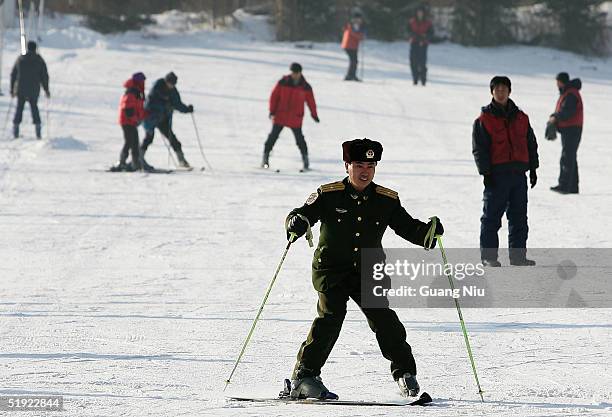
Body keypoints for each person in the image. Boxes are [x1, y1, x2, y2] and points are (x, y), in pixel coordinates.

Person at [284, 138, 444, 399]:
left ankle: (405, 372)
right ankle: (305, 376)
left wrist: (428, 232)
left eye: (370, 165)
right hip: (331, 269)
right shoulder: (329, 194)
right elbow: (302, 214)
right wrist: (296, 222)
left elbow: (407, 227)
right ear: (347, 165)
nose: (365, 170)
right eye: (359, 164)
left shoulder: (386, 200)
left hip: (368, 271)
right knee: (331, 317)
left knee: (384, 319)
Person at [472, 76, 539, 267]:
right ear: (492, 92)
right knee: (491, 218)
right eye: (497, 89)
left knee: (519, 218)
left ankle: (518, 257)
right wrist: (486, 173)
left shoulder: (521, 117)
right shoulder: (484, 119)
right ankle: (489, 257)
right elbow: (480, 149)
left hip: (518, 175)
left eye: (504, 89)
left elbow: (531, 144)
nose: (501, 92)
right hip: (497, 176)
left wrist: (533, 168)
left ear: (509, 92)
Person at [262, 63, 319, 171]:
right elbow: (274, 96)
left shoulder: (305, 86)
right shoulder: (283, 82)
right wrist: (272, 111)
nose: (294, 75)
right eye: (293, 72)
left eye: (296, 73)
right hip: (280, 115)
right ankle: (265, 158)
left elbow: (311, 101)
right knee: (272, 137)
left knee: (300, 140)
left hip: (295, 118)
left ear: (300, 73)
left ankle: (305, 161)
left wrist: (314, 114)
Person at [140, 72, 194, 170]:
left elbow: (177, 104)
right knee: (148, 138)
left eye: (173, 84)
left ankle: (182, 161)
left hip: (163, 119)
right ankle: (139, 158)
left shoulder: (173, 91)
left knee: (173, 139)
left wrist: (187, 109)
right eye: (170, 83)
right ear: (166, 81)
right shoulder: (156, 87)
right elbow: (150, 104)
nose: (171, 85)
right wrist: (165, 104)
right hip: (151, 118)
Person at [549, 72, 583, 194]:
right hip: (571, 129)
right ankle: (572, 187)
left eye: (558, 81)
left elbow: (568, 111)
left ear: (562, 82)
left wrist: (555, 117)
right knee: (570, 156)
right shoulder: (569, 92)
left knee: (567, 157)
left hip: (572, 129)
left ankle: (564, 185)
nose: (557, 84)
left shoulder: (570, 94)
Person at [10, 40, 50, 139]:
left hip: (21, 89)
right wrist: (46, 89)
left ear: (28, 48)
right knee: (34, 109)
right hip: (34, 90)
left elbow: (13, 74)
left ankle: (16, 129)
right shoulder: (39, 60)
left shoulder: (21, 59)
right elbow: (44, 76)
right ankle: (38, 131)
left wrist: (12, 89)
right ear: (35, 48)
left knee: (19, 109)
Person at [112, 72, 146, 172]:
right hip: (127, 121)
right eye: (142, 81)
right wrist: (135, 118)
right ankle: (122, 162)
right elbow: (128, 109)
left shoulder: (137, 92)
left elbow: (138, 107)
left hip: (131, 122)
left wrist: (141, 117)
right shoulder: (131, 92)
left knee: (134, 142)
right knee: (130, 141)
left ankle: (135, 163)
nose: (143, 83)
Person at [408, 6, 433, 86]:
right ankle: (415, 78)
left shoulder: (428, 23)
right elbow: (408, 31)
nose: (420, 14)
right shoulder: (412, 21)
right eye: (418, 12)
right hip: (414, 43)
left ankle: (423, 80)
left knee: (422, 63)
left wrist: (425, 37)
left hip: (423, 44)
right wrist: (414, 36)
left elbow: (431, 33)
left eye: (421, 12)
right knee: (413, 62)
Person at [341, 12, 365, 81]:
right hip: (349, 45)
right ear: (356, 19)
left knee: (354, 61)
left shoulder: (355, 25)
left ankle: (351, 75)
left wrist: (361, 36)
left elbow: (357, 34)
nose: (360, 20)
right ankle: (350, 76)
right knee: (353, 61)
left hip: (352, 46)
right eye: (359, 19)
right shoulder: (352, 25)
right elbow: (353, 34)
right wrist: (360, 37)